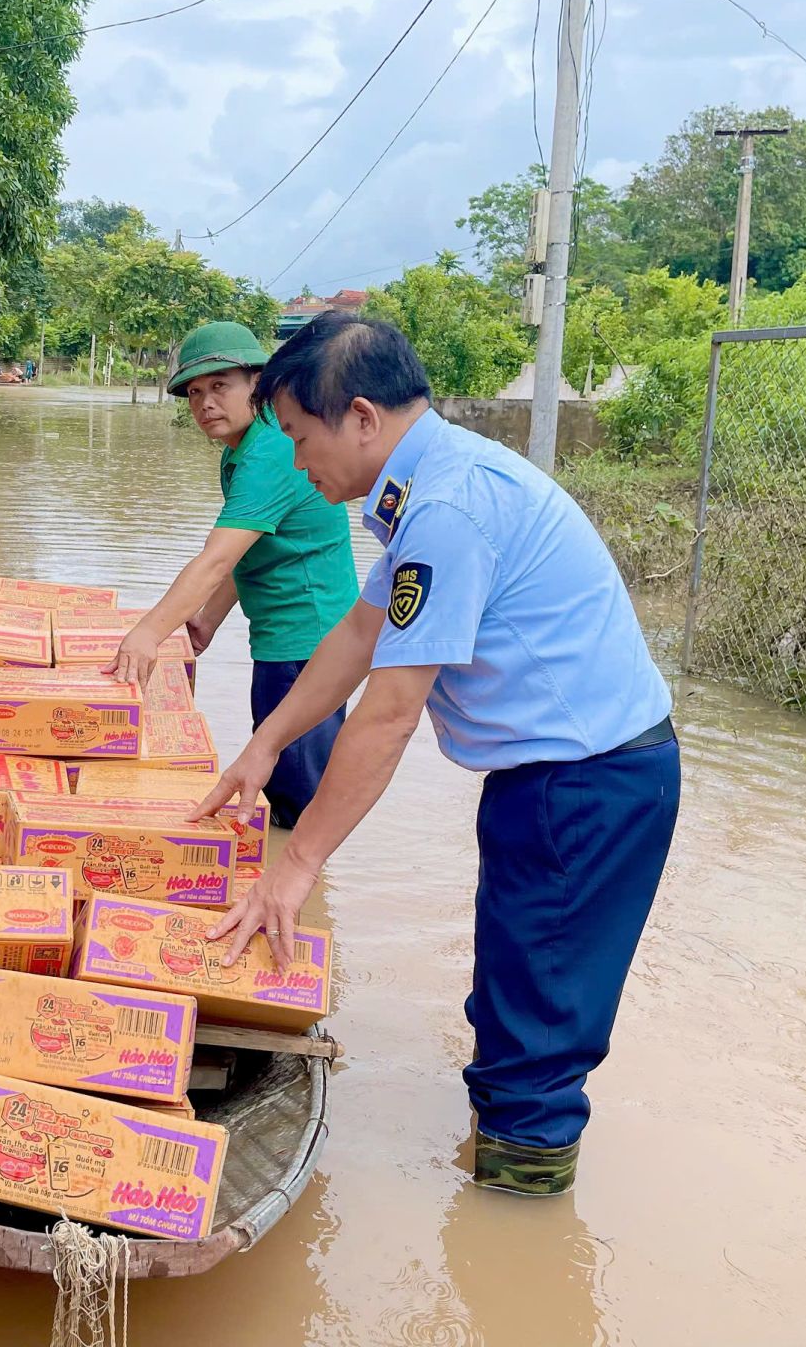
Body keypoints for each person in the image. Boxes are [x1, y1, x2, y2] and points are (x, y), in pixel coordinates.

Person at [197, 314, 679, 1196]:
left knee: (539, 1016)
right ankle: (504, 1171)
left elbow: (386, 712)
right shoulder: (424, 492)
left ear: (361, 418)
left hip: (587, 782)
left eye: (302, 439)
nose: (299, 464)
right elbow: (357, 633)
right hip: (553, 778)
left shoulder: (447, 508)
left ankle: (521, 1200)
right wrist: (266, 744)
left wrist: (296, 865)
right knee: (514, 986)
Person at [107, 320, 358, 828]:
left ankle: (302, 895)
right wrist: (207, 620)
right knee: (281, 777)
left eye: (221, 386)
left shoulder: (269, 453)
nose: (205, 403)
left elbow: (216, 559)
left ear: (257, 384)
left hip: (304, 642)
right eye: (195, 392)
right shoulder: (241, 452)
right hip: (283, 641)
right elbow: (248, 549)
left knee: (296, 799)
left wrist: (148, 634)